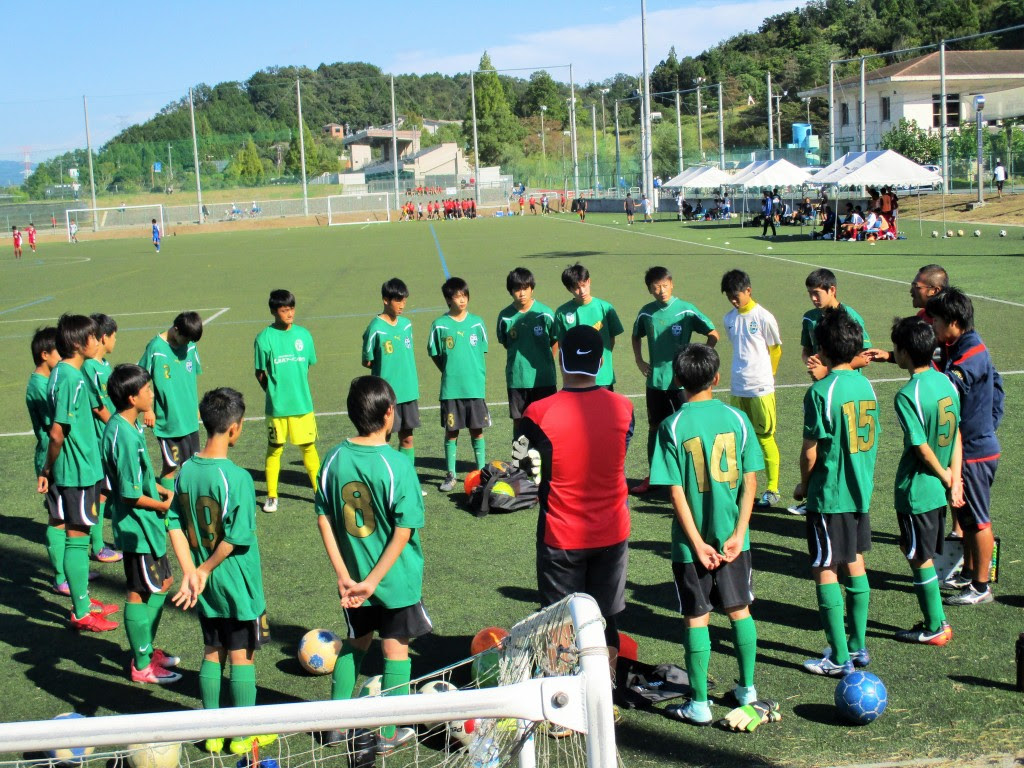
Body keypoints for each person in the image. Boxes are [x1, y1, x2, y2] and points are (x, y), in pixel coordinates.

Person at [649, 344, 764, 725]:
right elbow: (751, 482)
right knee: (739, 610)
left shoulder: (672, 426)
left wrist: (697, 543)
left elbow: (675, 491)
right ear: (716, 378)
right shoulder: (737, 419)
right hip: (734, 540)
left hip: (690, 545)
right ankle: (747, 690)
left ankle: (699, 705)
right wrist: (739, 534)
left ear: (677, 379)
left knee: (696, 617)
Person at [314, 376, 429, 754]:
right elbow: (404, 530)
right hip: (394, 582)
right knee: (395, 652)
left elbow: (323, 518)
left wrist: (344, 576)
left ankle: (334, 725)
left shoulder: (333, 458)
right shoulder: (397, 464)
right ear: (389, 413)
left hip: (354, 584)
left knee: (356, 644)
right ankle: (388, 733)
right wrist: (374, 580)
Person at [519, 324, 634, 685]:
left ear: (561, 360)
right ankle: (605, 691)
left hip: (561, 533)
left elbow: (523, 464)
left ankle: (562, 698)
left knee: (558, 621)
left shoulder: (537, 412)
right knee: (607, 617)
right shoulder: (624, 407)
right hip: (612, 530)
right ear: (600, 363)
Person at [167, 388, 276, 755]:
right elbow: (234, 539)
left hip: (207, 587)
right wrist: (204, 568)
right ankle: (243, 735)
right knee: (243, 654)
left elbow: (173, 523)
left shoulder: (185, 471)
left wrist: (192, 572)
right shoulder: (238, 478)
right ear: (235, 428)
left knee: (213, 650)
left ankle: (212, 732)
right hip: (238, 584)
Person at [794, 310, 879, 676]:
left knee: (825, 567)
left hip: (830, 494)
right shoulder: (866, 386)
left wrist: (803, 485)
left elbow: (811, 452)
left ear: (823, 350)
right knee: (854, 561)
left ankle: (839, 658)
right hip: (859, 491)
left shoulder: (820, 392)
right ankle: (858, 646)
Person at [38, 314, 119, 632]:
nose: (98, 341)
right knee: (77, 539)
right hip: (78, 470)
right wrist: (48, 467)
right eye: (93, 337)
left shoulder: (64, 372)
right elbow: (58, 432)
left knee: (77, 536)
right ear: (77, 343)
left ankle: (83, 602)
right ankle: (82, 612)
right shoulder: (71, 378)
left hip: (78, 468)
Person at [101, 364, 182, 683]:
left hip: (144, 524)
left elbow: (139, 478)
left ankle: (145, 649)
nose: (152, 394)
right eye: (147, 390)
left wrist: (160, 488)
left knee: (162, 583)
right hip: (137, 528)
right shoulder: (124, 436)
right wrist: (163, 504)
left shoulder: (126, 425)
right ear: (133, 398)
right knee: (139, 592)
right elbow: (130, 494)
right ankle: (142, 662)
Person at [927, 288, 1004, 605]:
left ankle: (981, 587)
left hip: (974, 451)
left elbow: (949, 384)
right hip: (970, 447)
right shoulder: (957, 345)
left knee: (978, 519)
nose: (933, 325)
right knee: (968, 518)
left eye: (936, 320)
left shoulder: (972, 351)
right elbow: (997, 387)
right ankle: (970, 573)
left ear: (954, 321)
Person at [889, 317, 961, 645]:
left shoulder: (907, 395)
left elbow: (920, 447)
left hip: (917, 489)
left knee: (919, 557)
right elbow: (956, 432)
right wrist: (954, 479)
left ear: (904, 352)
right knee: (915, 549)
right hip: (937, 490)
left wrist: (945, 476)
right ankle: (936, 622)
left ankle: (935, 626)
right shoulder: (946, 381)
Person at [630, 266, 718, 494]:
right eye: (656, 287)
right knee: (655, 428)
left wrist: (699, 360)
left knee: (689, 426)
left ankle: (693, 474)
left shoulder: (686, 310)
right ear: (649, 289)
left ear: (672, 284)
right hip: (655, 381)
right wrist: (639, 360)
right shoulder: (646, 313)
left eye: (665, 285)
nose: (661, 291)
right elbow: (636, 335)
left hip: (682, 382)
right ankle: (654, 475)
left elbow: (713, 333)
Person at [720, 270, 782, 508]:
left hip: (760, 388)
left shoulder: (763, 317)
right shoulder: (729, 319)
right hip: (738, 387)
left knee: (765, 437)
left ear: (748, 290)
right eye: (729, 297)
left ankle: (772, 488)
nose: (733, 301)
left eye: (736, 296)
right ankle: (742, 486)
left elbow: (775, 349)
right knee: (739, 438)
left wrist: (768, 376)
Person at [254, 290, 320, 513]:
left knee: (308, 448)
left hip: (302, 405)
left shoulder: (304, 335)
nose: (290, 314)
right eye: (284, 310)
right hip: (277, 409)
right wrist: (273, 392)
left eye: (291, 309)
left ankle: (319, 493)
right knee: (274, 449)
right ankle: (272, 496)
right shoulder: (264, 338)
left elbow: (307, 365)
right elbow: (259, 372)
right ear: (274, 312)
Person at [428, 277, 490, 492]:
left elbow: (481, 351)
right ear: (448, 299)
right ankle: (451, 475)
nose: (462, 300)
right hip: (451, 390)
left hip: (474, 388)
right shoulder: (439, 325)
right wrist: (448, 371)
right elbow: (435, 354)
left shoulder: (477, 323)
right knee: (452, 432)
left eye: (464, 296)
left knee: (477, 431)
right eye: (457, 297)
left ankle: (482, 472)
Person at [139, 312, 204, 492]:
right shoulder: (156, 348)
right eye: (186, 338)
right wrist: (148, 410)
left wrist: (195, 405)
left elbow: (189, 378)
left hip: (190, 419)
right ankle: (168, 505)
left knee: (191, 465)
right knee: (170, 467)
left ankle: (187, 501)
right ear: (176, 330)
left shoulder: (191, 346)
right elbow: (139, 380)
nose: (187, 343)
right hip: (169, 421)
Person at [363, 278, 421, 476]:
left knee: (408, 438)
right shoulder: (375, 328)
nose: (402, 305)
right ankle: (384, 479)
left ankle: (407, 478)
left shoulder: (406, 325)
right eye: (398, 300)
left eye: (404, 300)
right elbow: (367, 361)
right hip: (386, 395)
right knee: (383, 439)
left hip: (409, 391)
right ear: (386, 300)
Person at [27, 326, 69, 594]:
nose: (63, 357)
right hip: (50, 459)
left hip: (60, 457)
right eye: (59, 352)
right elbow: (55, 427)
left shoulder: (48, 381)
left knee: (68, 516)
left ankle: (71, 570)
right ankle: (60, 577)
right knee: (58, 518)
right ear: (44, 354)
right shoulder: (40, 387)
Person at [497, 268, 557, 436]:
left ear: (532, 288)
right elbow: (506, 343)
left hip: (544, 378)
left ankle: (547, 452)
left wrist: (547, 362)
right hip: (518, 379)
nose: (522, 293)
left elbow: (555, 340)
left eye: (525, 288)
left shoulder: (545, 313)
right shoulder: (505, 316)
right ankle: (519, 452)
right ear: (510, 291)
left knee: (546, 420)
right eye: (517, 289)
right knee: (519, 420)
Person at [83, 313, 122, 563]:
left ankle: (114, 539)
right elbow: (98, 407)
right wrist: (119, 426)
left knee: (111, 490)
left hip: (111, 436)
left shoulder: (105, 365)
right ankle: (98, 546)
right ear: (103, 337)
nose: (116, 341)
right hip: (101, 439)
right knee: (103, 493)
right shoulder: (89, 368)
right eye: (114, 336)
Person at [553, 263, 623, 391]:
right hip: (576, 379)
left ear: (589, 281)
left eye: (584, 285)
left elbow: (611, 340)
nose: (582, 291)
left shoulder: (605, 308)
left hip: (603, 377)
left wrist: (597, 358)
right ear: (569, 289)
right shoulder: (562, 313)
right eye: (576, 288)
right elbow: (562, 347)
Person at [800, 269, 871, 382]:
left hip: (847, 382)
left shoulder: (850, 316)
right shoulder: (809, 318)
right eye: (810, 293)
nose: (813, 298)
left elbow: (864, 357)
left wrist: (826, 370)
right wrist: (810, 361)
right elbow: (806, 350)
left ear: (832, 290)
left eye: (817, 293)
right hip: (822, 383)